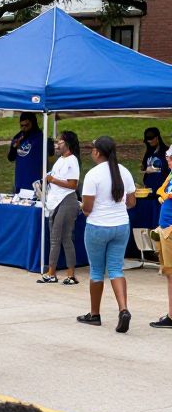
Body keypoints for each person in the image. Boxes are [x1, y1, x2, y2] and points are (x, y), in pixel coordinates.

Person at [78, 136, 135, 331]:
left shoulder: (92, 175)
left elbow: (87, 207)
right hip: (121, 225)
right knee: (116, 269)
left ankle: (95, 314)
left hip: (98, 226)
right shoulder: (124, 172)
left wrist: (82, 208)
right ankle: (123, 309)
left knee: (96, 270)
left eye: (92, 148)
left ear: (97, 152)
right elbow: (132, 202)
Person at [39, 131, 81, 285]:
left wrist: (53, 179)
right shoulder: (59, 160)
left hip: (67, 200)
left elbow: (72, 184)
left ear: (67, 143)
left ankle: (53, 273)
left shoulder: (72, 160)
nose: (57, 145)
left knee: (58, 238)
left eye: (60, 142)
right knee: (62, 238)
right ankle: (66, 274)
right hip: (55, 201)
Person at [151, 145, 172, 328]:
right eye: (168, 157)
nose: (168, 161)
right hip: (166, 230)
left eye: (170, 158)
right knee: (169, 274)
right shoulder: (171, 175)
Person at [7, 112, 47, 193]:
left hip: (34, 181)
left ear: (33, 123)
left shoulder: (40, 138)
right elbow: (10, 158)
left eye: (27, 125)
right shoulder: (18, 137)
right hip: (20, 180)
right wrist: (14, 148)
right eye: (22, 126)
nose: (24, 128)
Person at [140, 126, 168, 193]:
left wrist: (154, 168)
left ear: (157, 137)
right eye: (147, 140)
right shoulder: (149, 151)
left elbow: (167, 168)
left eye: (151, 139)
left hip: (161, 189)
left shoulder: (166, 151)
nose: (149, 141)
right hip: (149, 188)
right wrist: (144, 168)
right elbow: (144, 166)